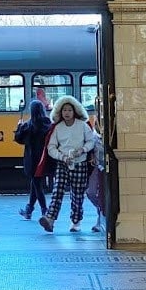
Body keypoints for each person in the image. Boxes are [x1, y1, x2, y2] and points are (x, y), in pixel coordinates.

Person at [39, 96, 99, 234]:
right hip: (63, 163)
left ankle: (76, 221)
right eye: (64, 110)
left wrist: (82, 150)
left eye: (69, 110)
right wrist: (62, 157)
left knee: (77, 195)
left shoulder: (83, 126)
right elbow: (51, 147)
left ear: (75, 111)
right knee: (57, 190)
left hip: (80, 163)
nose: (67, 113)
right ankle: (50, 219)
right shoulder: (57, 128)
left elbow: (91, 142)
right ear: (60, 112)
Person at [14, 98, 53, 220]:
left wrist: (19, 127)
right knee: (35, 184)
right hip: (44, 159)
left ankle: (44, 210)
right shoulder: (48, 124)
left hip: (32, 160)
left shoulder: (28, 126)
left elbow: (19, 139)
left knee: (36, 184)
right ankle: (29, 209)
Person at [85, 104, 106, 234]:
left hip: (107, 167)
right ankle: (101, 212)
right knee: (91, 192)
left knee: (104, 193)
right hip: (96, 167)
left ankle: (100, 218)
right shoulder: (93, 134)